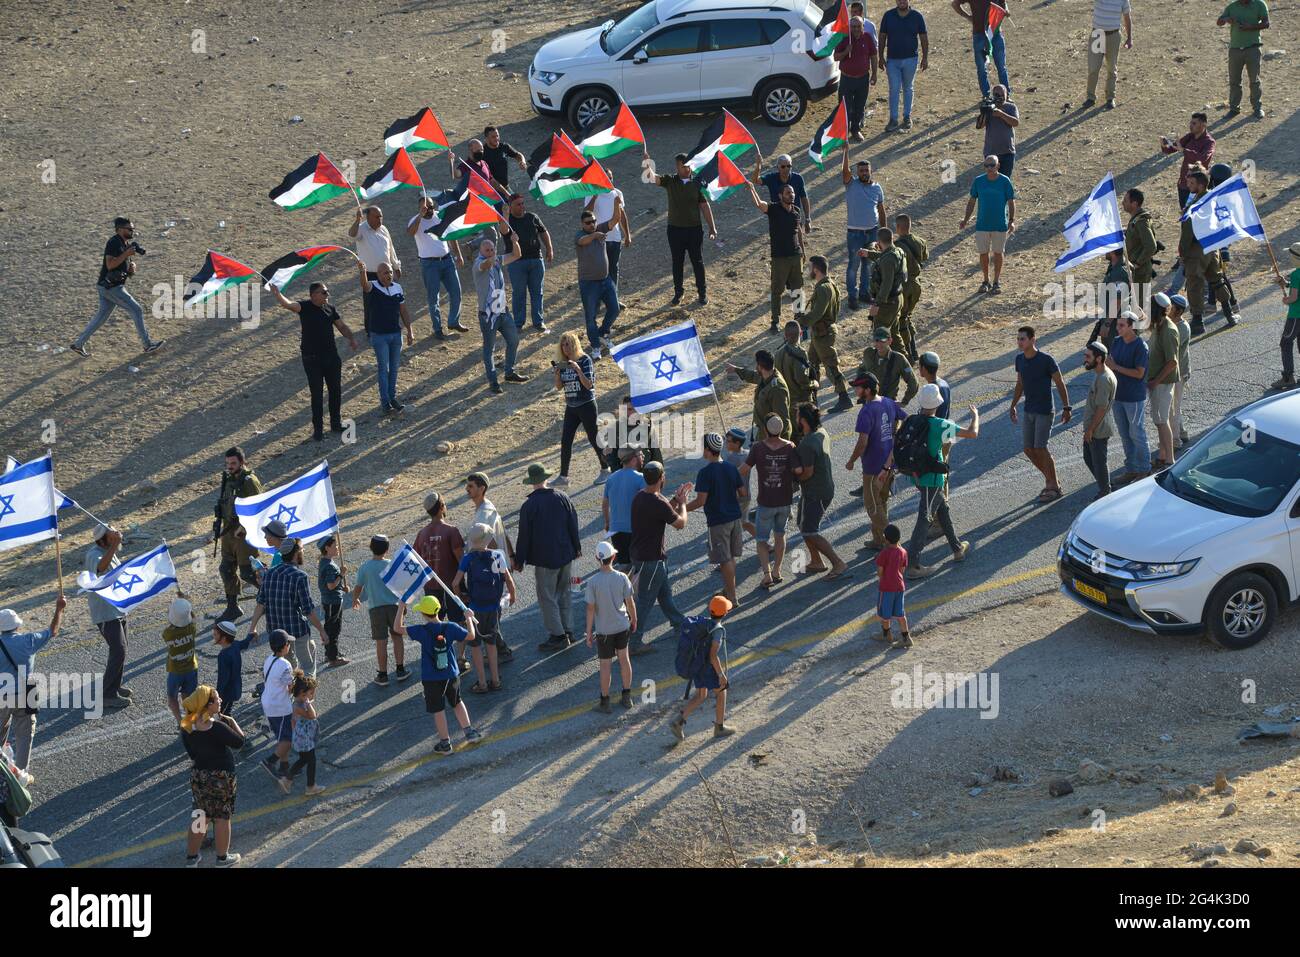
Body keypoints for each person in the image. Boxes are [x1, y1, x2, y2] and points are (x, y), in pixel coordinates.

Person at [900, 384, 978, 577]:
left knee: (942, 510)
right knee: (924, 518)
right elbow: (972, 433)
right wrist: (976, 416)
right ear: (938, 403)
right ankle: (913, 565)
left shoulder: (912, 419)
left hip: (916, 475)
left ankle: (957, 548)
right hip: (933, 479)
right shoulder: (940, 424)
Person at [268, 281, 360, 441]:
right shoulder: (305, 307)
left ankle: (335, 424)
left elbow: (342, 326)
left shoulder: (330, 309)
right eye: (324, 292)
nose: (327, 295)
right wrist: (278, 295)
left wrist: (351, 338)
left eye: (327, 292)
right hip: (312, 359)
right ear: (313, 295)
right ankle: (318, 430)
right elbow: (289, 305)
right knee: (317, 394)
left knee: (335, 391)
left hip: (331, 357)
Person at [395, 595, 484, 755]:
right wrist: (469, 618)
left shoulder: (421, 631)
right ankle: (470, 732)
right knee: (457, 702)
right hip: (451, 673)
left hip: (431, 677)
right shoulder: (450, 627)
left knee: (438, 709)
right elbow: (471, 636)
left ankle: (445, 743)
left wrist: (401, 606)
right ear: (438, 610)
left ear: (423, 613)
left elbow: (397, 628)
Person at [70, 216, 164, 357]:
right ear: (119, 229)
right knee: (137, 310)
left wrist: (131, 269)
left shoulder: (125, 243)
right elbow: (110, 265)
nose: (132, 231)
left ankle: (78, 344)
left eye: (133, 229)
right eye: (129, 229)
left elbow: (121, 268)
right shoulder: (114, 242)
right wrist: (126, 254)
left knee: (101, 318)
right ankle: (147, 345)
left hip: (109, 287)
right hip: (112, 287)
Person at [515, 463, 582, 653]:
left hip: (545, 559)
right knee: (564, 592)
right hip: (566, 554)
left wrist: (520, 560)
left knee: (547, 597)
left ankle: (558, 635)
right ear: (545, 478)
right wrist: (577, 547)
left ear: (531, 482)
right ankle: (568, 630)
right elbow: (573, 523)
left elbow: (524, 536)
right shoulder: (562, 496)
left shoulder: (529, 505)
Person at [627, 461, 691, 656]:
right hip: (652, 560)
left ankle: (680, 625)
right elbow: (680, 523)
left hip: (640, 555)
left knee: (665, 595)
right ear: (662, 478)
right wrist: (683, 505)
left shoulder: (640, 497)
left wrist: (675, 500)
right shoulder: (658, 502)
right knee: (645, 603)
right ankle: (634, 642)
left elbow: (662, 511)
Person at [179, 685, 245, 867]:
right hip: (221, 778)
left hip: (199, 776)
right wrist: (232, 722)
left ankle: (192, 858)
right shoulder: (217, 727)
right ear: (207, 705)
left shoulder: (186, 727)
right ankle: (222, 858)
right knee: (222, 817)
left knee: (200, 815)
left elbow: (192, 754)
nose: (220, 701)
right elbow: (240, 742)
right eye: (216, 699)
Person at [0, 597, 65, 778]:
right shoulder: (29, 640)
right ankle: (21, 775)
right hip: (25, 694)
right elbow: (53, 631)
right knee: (24, 735)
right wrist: (59, 609)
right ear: (17, 626)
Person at [247, 538, 329, 679]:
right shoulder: (300, 577)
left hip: (277, 632)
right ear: (296, 553)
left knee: (288, 668)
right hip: (297, 630)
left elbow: (261, 604)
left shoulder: (269, 574)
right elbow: (308, 610)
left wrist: (252, 628)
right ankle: (305, 697)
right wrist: (322, 631)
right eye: (302, 549)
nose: (304, 551)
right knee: (307, 668)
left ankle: (292, 693)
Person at [1008, 326, 1072, 503]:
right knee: (1028, 449)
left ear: (1033, 340)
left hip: (1044, 410)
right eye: (1018, 338)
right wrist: (1013, 405)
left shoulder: (1046, 360)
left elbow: (1059, 383)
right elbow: (1020, 384)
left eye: (1023, 339)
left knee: (1041, 448)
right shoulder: (1019, 359)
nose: (1019, 342)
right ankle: (1051, 480)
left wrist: (1067, 407)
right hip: (1029, 410)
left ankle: (1054, 487)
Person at [451, 523, 515, 693]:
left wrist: (462, 600)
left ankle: (482, 683)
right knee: (491, 644)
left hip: (475, 607)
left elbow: (455, 583)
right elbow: (508, 579)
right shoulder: (497, 556)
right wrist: (512, 596)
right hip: (493, 607)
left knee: (475, 646)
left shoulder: (468, 559)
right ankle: (495, 680)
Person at [847, 371, 906, 550]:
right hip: (888, 465)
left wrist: (851, 461)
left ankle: (894, 543)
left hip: (873, 468)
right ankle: (879, 540)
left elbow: (862, 442)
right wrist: (896, 437)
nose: (855, 390)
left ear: (867, 390)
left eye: (858, 387)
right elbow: (906, 418)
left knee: (872, 506)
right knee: (881, 502)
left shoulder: (866, 411)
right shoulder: (888, 402)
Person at [1179, 168, 1241, 335]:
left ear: (1200, 185)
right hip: (1213, 248)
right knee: (1217, 280)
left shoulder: (1194, 205)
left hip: (1196, 250)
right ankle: (1229, 313)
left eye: (1192, 183)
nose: (1188, 186)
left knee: (1195, 285)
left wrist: (1182, 253)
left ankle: (1198, 321)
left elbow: (1187, 232)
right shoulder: (1214, 199)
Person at [687, 433, 747, 605]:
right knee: (730, 557)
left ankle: (733, 597)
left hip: (718, 522)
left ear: (708, 449)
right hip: (735, 518)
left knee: (724, 559)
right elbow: (742, 493)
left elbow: (700, 501)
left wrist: (682, 509)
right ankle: (729, 589)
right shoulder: (730, 468)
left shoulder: (705, 473)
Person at [792, 403, 851, 580]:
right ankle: (816, 561)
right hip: (821, 488)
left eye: (797, 417)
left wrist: (793, 479)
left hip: (815, 492)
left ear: (803, 420)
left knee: (810, 530)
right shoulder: (821, 433)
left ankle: (837, 562)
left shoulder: (807, 444)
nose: (795, 419)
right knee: (803, 525)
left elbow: (807, 473)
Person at [652, 151, 717, 305]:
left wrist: (712, 227)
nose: (686, 169)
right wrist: (648, 165)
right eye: (683, 166)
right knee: (677, 262)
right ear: (677, 167)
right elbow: (655, 179)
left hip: (694, 230)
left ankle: (702, 293)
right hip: (675, 230)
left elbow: (704, 206)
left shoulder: (697, 183)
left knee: (697, 262)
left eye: (688, 166)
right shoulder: (670, 181)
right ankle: (678, 293)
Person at [669, 595, 736, 741]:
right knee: (722, 691)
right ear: (725, 613)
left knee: (701, 695)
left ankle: (678, 721)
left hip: (697, 665)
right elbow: (713, 656)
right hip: (707, 667)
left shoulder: (704, 623)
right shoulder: (717, 631)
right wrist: (721, 675)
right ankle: (719, 727)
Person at [740, 416, 796, 588]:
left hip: (766, 502)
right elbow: (797, 470)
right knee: (780, 535)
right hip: (785, 500)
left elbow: (743, 470)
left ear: (765, 429)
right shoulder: (790, 446)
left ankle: (767, 574)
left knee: (762, 540)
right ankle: (778, 570)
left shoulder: (758, 448)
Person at [585, 540, 638, 713]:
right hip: (621, 626)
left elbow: (591, 609)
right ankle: (627, 696)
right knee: (624, 659)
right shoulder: (622, 577)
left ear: (597, 559)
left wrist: (588, 633)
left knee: (605, 665)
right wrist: (634, 619)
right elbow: (630, 603)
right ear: (613, 557)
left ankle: (605, 701)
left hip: (604, 631)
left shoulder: (592, 582)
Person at [746, 180, 805, 334]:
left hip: (795, 256)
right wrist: (752, 189)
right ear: (780, 196)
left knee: (797, 289)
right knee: (776, 291)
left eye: (792, 192)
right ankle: (775, 321)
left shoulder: (797, 211)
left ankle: (799, 316)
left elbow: (798, 231)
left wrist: (803, 252)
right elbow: (759, 204)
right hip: (779, 258)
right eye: (787, 193)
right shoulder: (773, 209)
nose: (791, 195)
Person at [472, 233, 528, 394]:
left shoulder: (496, 260)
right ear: (481, 252)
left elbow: (517, 255)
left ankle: (509, 371)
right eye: (487, 250)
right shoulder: (478, 264)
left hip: (502, 311)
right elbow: (485, 265)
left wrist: (514, 241)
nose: (490, 252)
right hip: (488, 315)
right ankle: (493, 381)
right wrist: (493, 257)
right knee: (489, 349)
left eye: (492, 250)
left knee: (514, 340)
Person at [357, 260, 415, 415]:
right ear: (378, 275)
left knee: (394, 368)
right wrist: (362, 271)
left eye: (390, 272)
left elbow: (403, 311)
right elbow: (364, 285)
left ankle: (393, 398)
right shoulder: (373, 286)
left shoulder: (398, 288)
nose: (388, 275)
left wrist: (410, 330)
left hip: (396, 334)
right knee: (384, 369)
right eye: (384, 272)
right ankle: (385, 403)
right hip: (379, 335)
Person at [350, 534, 408, 686]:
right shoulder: (391, 564)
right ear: (387, 549)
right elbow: (400, 586)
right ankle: (400, 669)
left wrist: (355, 598)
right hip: (394, 606)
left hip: (376, 609)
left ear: (370, 548)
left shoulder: (365, 567)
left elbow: (358, 588)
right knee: (397, 637)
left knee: (381, 642)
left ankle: (383, 675)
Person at [552, 332, 609, 487]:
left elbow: (589, 384)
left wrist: (578, 370)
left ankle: (606, 468)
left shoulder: (585, 360)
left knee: (593, 437)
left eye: (569, 344)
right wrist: (557, 375)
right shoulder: (564, 362)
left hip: (586, 404)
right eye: (563, 345)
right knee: (566, 440)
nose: (566, 348)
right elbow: (558, 388)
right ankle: (563, 477)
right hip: (571, 406)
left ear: (575, 344)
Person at [213, 447, 263, 623]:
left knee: (248, 572)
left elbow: (258, 506)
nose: (230, 466)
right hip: (228, 532)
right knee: (226, 569)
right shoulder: (228, 478)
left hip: (244, 534)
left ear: (242, 462)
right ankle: (233, 607)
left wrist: (243, 527)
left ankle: (270, 596)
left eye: (233, 463)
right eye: (227, 463)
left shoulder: (249, 481)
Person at [408, 194, 467, 341]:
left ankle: (453, 321)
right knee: (433, 298)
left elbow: (451, 236)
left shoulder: (440, 216)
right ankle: (437, 329)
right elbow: (410, 232)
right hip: (429, 264)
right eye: (425, 207)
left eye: (431, 206)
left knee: (456, 292)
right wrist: (420, 217)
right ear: (420, 207)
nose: (429, 209)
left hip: (447, 261)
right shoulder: (416, 220)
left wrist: (458, 255)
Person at [85, 523, 131, 709]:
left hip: (117, 609)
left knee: (122, 649)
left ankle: (114, 686)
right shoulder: (93, 555)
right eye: (112, 536)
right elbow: (101, 567)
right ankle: (107, 694)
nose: (117, 536)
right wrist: (114, 546)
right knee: (118, 650)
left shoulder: (109, 552)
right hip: (105, 613)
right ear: (103, 539)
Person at [799, 256, 854, 411]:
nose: (809, 270)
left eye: (810, 267)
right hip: (820, 333)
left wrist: (801, 322)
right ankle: (812, 400)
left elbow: (817, 313)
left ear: (816, 269)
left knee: (831, 366)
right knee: (812, 364)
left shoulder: (823, 288)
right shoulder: (829, 285)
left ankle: (844, 397)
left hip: (823, 333)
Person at [1105, 311, 1151, 484]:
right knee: (1125, 434)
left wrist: (1115, 367)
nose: (1118, 328)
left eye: (1122, 325)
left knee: (1137, 433)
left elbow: (1139, 374)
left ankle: (1144, 469)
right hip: (1118, 396)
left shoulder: (1140, 346)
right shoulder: (1116, 342)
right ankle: (1131, 469)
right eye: (1117, 325)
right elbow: (1110, 364)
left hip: (1134, 397)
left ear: (1132, 327)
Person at [960, 155, 1016, 293]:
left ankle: (996, 281)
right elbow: (972, 201)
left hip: (1000, 225)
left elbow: (1011, 201)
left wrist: (1011, 220)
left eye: (992, 165)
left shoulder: (1005, 181)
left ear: (998, 166)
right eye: (987, 165)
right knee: (983, 253)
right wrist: (965, 220)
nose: (989, 168)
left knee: (998, 253)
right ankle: (985, 281)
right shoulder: (978, 181)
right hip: (982, 225)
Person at [842, 149, 888, 310]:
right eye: (861, 171)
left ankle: (864, 293)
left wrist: (885, 233)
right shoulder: (851, 184)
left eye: (866, 170)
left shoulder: (877, 188)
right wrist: (846, 152)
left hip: (873, 232)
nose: (864, 173)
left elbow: (881, 210)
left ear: (871, 171)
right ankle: (852, 297)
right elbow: (845, 171)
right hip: (855, 233)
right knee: (853, 266)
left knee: (868, 265)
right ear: (857, 172)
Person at [501, 193, 553, 333]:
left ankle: (538, 321)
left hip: (536, 260)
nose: (522, 206)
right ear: (510, 207)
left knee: (537, 292)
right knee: (519, 293)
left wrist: (549, 248)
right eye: (518, 204)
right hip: (516, 263)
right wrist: (505, 215)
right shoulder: (507, 220)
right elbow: (504, 230)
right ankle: (518, 323)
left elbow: (544, 232)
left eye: (523, 203)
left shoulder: (532, 217)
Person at [414, 492, 466, 627]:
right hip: (453, 585)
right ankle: (457, 649)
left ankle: (438, 648)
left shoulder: (421, 534)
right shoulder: (451, 531)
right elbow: (462, 561)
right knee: (459, 623)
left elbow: (416, 561)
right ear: (442, 507)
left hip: (431, 586)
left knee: (435, 624)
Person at [349, 206, 402, 336]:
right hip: (371, 274)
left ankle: (389, 325)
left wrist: (396, 266)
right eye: (377, 217)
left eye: (381, 216)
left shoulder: (384, 229)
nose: (380, 219)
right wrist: (357, 220)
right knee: (371, 303)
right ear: (368, 217)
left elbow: (391, 248)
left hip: (387, 273)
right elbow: (352, 234)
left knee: (389, 300)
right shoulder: (361, 229)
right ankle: (371, 330)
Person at [574, 208, 620, 354]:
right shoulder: (580, 235)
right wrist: (595, 235)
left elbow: (615, 220)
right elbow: (583, 241)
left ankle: (602, 333)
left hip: (606, 280)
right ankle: (595, 346)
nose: (592, 224)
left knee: (614, 308)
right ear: (582, 224)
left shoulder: (599, 229)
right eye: (588, 222)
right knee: (590, 316)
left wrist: (616, 202)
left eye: (594, 221)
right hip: (589, 283)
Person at [879, 0, 929, 132]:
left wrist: (925, 57)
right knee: (894, 89)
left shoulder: (917, 16)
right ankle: (893, 119)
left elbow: (923, 37)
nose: (902, 1)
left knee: (908, 88)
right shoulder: (888, 16)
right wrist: (880, 57)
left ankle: (907, 116)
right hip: (892, 60)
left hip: (911, 59)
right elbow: (882, 36)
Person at [258, 631, 298, 793]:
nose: (290, 645)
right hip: (280, 707)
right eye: (289, 643)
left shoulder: (269, 659)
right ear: (285, 646)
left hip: (269, 704)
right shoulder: (285, 665)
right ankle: (270, 761)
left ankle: (284, 766)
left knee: (282, 737)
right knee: (288, 740)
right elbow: (290, 688)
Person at [1217, 0, 1269, 118]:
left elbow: (1266, 23)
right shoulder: (1232, 6)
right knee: (1234, 81)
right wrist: (1226, 19)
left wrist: (1251, 27)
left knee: (1254, 80)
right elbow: (1219, 22)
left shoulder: (1259, 4)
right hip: (1235, 49)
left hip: (1253, 48)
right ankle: (1234, 109)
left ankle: (1257, 108)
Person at [584, 169, 633, 296]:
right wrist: (595, 196)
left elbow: (622, 216)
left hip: (615, 239)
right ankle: (600, 300)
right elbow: (586, 213)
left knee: (613, 270)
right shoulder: (591, 193)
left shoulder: (617, 193)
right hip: (598, 238)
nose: (610, 181)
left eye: (611, 178)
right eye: (608, 178)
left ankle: (613, 300)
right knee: (600, 271)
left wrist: (627, 235)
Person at [728, 349, 792, 440]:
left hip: (773, 438)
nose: (755, 368)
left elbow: (783, 420)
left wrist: (777, 445)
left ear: (760, 367)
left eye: (757, 365)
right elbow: (753, 376)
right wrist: (736, 370)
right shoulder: (767, 375)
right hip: (765, 432)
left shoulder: (777, 389)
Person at [1147, 303, 1181, 470]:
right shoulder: (1159, 326)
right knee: (1159, 420)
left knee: (1162, 420)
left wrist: (1156, 381)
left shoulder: (1168, 330)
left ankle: (1169, 459)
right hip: (1157, 382)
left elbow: (1172, 362)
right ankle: (1162, 455)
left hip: (1162, 383)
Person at [1081, 340, 1117, 499]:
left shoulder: (1103, 379)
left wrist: (1090, 430)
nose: (1085, 359)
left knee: (1098, 461)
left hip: (1098, 429)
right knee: (1089, 458)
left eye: (1088, 356)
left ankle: (1105, 492)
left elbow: (1101, 408)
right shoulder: (1100, 374)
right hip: (1095, 427)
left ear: (1099, 359)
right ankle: (1106, 484)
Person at [834, 16, 879, 142]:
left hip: (863, 79)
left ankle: (855, 130)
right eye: (853, 26)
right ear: (849, 27)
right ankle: (842, 132)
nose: (856, 29)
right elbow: (836, 57)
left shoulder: (868, 38)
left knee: (859, 106)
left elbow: (873, 56)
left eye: (858, 26)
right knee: (844, 107)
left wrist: (874, 74)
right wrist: (845, 51)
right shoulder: (844, 39)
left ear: (862, 27)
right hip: (847, 80)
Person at [953, 0, 1010, 98]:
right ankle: (986, 96)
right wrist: (968, 17)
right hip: (979, 34)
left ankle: (1005, 95)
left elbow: (1003, 3)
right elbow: (955, 4)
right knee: (982, 68)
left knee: (1001, 66)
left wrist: (1006, 10)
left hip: (995, 33)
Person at [1083, 0, 1133, 110]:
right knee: (1093, 67)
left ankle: (1110, 98)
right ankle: (1090, 97)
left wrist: (1129, 38)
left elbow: (1127, 17)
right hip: (1097, 35)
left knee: (1111, 67)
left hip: (1113, 36)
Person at [1159, 113, 1215, 210]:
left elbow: (1203, 158)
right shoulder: (1190, 136)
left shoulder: (1209, 142)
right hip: (1185, 182)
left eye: (1194, 123)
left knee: (1197, 213)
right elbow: (1173, 148)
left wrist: (1184, 150)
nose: (1190, 126)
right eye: (1191, 123)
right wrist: (1164, 145)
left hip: (1198, 185)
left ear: (1203, 125)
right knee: (1184, 211)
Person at [603, 448, 647, 569]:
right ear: (633, 459)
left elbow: (605, 503)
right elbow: (647, 502)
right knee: (639, 568)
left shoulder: (611, 478)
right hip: (634, 530)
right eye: (640, 454)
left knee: (624, 566)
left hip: (616, 530)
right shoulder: (641, 478)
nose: (643, 456)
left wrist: (607, 522)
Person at [465, 472, 516, 572]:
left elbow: (490, 542)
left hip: (491, 570)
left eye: (471, 486)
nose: (467, 489)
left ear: (481, 489)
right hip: (498, 567)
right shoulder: (488, 505)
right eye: (467, 485)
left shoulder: (483, 514)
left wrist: (501, 568)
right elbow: (503, 533)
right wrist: (511, 556)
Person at [894, 213, 928, 362]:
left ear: (898, 227)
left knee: (902, 319)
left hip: (905, 285)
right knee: (908, 317)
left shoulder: (897, 246)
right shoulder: (920, 241)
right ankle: (913, 350)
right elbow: (925, 256)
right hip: (916, 284)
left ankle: (909, 352)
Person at [865, 226, 908, 340]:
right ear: (892, 238)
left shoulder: (888, 260)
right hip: (897, 299)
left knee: (881, 336)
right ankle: (903, 357)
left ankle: (885, 358)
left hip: (887, 304)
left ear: (879, 242)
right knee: (893, 337)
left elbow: (886, 284)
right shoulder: (898, 251)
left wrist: (877, 304)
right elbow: (885, 257)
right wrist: (869, 254)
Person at [162, 597, 200, 724]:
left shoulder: (168, 634)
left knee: (172, 697)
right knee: (188, 696)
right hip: (191, 668)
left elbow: (170, 623)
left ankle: (179, 721)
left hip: (175, 671)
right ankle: (190, 718)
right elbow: (193, 617)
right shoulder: (192, 629)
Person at [1122, 187, 1158, 321]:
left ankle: (1138, 333)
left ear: (1134, 203)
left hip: (1140, 271)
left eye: (1126, 200)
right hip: (1136, 270)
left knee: (1138, 305)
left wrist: (1137, 263)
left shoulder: (1141, 221)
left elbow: (1151, 246)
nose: (1123, 203)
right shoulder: (1135, 220)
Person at [860, 327, 919, 406]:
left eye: (883, 340)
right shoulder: (869, 354)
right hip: (869, 405)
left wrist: (904, 402)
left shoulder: (898, 359)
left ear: (890, 341)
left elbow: (913, 383)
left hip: (888, 405)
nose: (879, 343)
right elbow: (861, 370)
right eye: (876, 340)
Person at [285, 674, 323, 796]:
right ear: (302, 693)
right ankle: (310, 786)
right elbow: (313, 715)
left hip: (302, 737)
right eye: (311, 693)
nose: (313, 695)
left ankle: (287, 778)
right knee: (311, 761)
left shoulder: (298, 703)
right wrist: (309, 703)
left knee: (304, 759)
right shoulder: (298, 706)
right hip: (303, 739)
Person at [875, 524, 912, 648]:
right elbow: (902, 569)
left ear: (885, 539)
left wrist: (881, 578)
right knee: (900, 614)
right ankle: (906, 637)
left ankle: (887, 634)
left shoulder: (884, 554)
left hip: (886, 587)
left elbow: (880, 571)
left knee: (885, 614)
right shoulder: (903, 552)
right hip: (899, 586)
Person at [316, 536, 350, 667]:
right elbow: (330, 585)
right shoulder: (329, 565)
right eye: (335, 546)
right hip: (332, 602)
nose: (337, 548)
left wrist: (342, 587)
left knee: (330, 627)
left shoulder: (325, 561)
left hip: (330, 600)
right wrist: (341, 575)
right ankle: (333, 658)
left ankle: (329, 654)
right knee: (333, 629)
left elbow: (331, 584)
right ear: (326, 548)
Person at [754, 154, 812, 230]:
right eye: (783, 167)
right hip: (777, 217)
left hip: (794, 216)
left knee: (796, 239)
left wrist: (807, 218)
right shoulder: (771, 178)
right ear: (777, 167)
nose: (786, 169)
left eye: (789, 166)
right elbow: (756, 180)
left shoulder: (798, 178)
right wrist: (758, 165)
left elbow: (804, 198)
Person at [775, 321, 815, 428]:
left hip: (786, 401)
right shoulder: (800, 353)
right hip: (800, 401)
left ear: (785, 335)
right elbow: (802, 379)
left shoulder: (778, 353)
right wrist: (814, 384)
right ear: (801, 334)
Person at [212, 620, 254, 717]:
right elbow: (245, 643)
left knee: (223, 714)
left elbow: (223, 678)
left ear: (224, 637)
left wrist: (217, 694)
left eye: (216, 633)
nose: (213, 635)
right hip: (236, 687)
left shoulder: (223, 655)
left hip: (227, 692)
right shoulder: (235, 644)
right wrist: (251, 635)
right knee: (226, 712)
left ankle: (229, 730)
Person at [976, 84, 1019, 177]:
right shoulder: (989, 107)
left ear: (1006, 95)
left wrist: (1001, 114)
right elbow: (979, 126)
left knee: (1005, 180)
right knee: (992, 179)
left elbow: (1015, 123)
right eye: (996, 94)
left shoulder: (1011, 107)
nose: (999, 97)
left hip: (1007, 151)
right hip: (991, 152)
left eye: (1002, 95)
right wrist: (985, 112)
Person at [1167, 293, 1193, 445]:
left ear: (1178, 311)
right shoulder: (1169, 322)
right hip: (1173, 372)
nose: (1168, 308)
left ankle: (1175, 441)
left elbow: (1170, 350)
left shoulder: (1182, 329)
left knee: (1173, 409)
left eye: (1171, 306)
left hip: (1178, 373)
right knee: (1175, 405)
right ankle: (1182, 432)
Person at [1276, 243, 1300, 390]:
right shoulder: (1296, 275)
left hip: (1296, 315)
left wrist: (1287, 300)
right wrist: (1286, 284)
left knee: (1285, 342)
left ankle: (1288, 377)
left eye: (1291, 256)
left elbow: (1294, 297)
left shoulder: (1296, 273)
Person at [482, 125, 528, 190]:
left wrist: (522, 162)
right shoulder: (482, 152)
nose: (496, 139)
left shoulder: (504, 147)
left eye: (497, 135)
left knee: (517, 200)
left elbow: (518, 155)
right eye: (493, 137)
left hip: (506, 187)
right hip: (491, 190)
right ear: (486, 139)